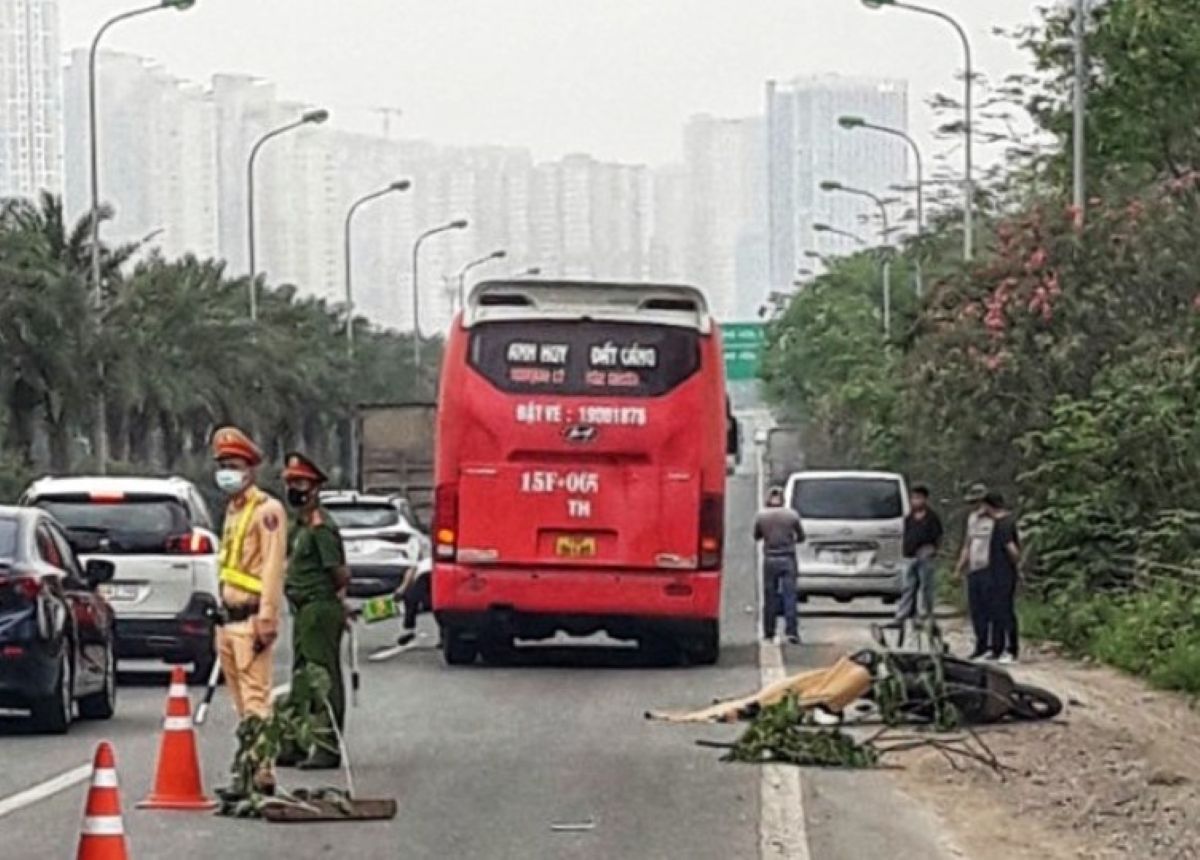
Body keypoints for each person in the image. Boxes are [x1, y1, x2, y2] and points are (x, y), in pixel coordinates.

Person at [211, 426, 287, 796]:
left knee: (257, 699)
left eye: (234, 464)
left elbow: (273, 566)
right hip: (228, 619)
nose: (227, 470)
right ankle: (249, 767)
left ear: (251, 469)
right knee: (242, 703)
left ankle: (262, 772)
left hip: (253, 616)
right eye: (222, 464)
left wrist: (268, 617)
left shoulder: (267, 511)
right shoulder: (233, 510)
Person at [279, 452, 349, 770]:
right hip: (302, 609)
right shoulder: (300, 525)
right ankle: (295, 742)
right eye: (291, 482)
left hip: (319, 608)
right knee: (301, 677)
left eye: (301, 482)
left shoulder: (321, 528)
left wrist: (336, 601)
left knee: (323, 679)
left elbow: (339, 573)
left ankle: (326, 746)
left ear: (315, 488)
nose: (294, 488)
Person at [753, 485, 805, 645]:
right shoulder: (792, 515)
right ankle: (792, 631)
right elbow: (801, 536)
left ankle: (769, 632)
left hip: (770, 559)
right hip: (788, 558)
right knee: (790, 596)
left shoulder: (762, 516)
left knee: (770, 597)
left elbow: (757, 536)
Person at [895, 483, 944, 637]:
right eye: (913, 498)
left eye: (918, 498)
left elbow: (938, 537)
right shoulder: (909, 518)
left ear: (925, 499)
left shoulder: (932, 517)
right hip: (910, 556)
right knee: (908, 586)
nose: (915, 501)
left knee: (925, 586)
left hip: (925, 554)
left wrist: (933, 550)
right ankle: (903, 614)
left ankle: (925, 614)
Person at [955, 482, 994, 661]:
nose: (977, 507)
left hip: (990, 569)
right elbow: (967, 544)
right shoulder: (972, 519)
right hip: (974, 569)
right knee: (976, 610)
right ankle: (981, 644)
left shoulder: (995, 520)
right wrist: (959, 567)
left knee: (990, 609)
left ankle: (994, 645)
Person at [983, 492, 1021, 664]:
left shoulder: (1003, 524)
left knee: (1005, 612)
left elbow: (1011, 549)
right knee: (995, 611)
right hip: (997, 573)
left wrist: (1014, 564)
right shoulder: (1003, 522)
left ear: (989, 506)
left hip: (1004, 574)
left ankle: (1011, 649)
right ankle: (996, 648)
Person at [394, 559, 432, 648]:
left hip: (427, 573)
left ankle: (409, 629)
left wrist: (402, 589)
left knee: (411, 598)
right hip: (431, 572)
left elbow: (412, 569)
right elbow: (412, 568)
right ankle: (409, 630)